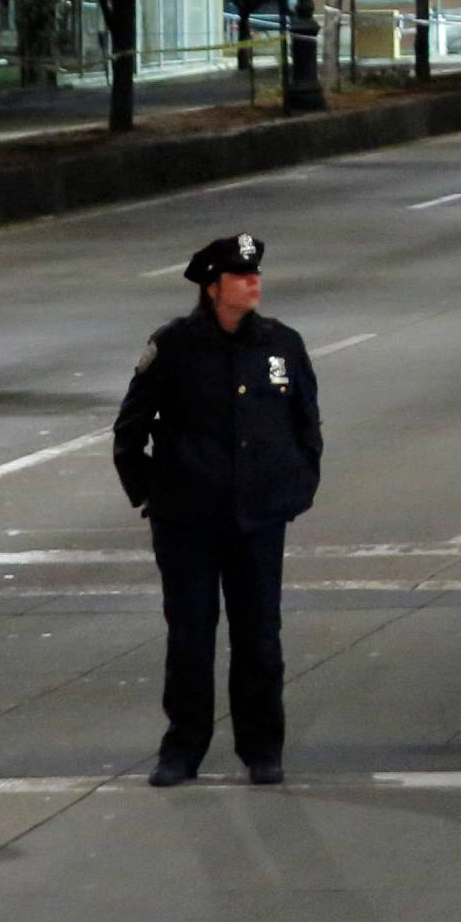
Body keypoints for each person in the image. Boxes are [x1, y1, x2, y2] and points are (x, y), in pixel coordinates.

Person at [113, 234, 323, 786]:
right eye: (240, 275)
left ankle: (262, 748)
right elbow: (130, 430)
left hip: (258, 518)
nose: (253, 282)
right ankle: (182, 748)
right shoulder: (175, 347)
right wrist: (151, 495)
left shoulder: (282, 345)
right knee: (190, 634)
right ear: (212, 288)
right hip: (188, 519)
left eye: (255, 274)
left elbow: (306, 425)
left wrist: (294, 490)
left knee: (259, 635)